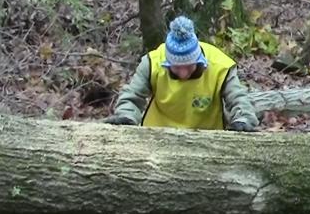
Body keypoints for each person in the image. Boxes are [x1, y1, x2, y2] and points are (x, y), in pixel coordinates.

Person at [105, 16, 258, 131]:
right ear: (166, 62)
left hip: (208, 139)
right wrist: (126, 116)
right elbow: (132, 95)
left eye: (189, 67)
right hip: (156, 135)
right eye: (176, 68)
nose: (183, 74)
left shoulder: (221, 66)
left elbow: (238, 98)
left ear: (199, 60)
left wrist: (243, 120)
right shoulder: (152, 63)